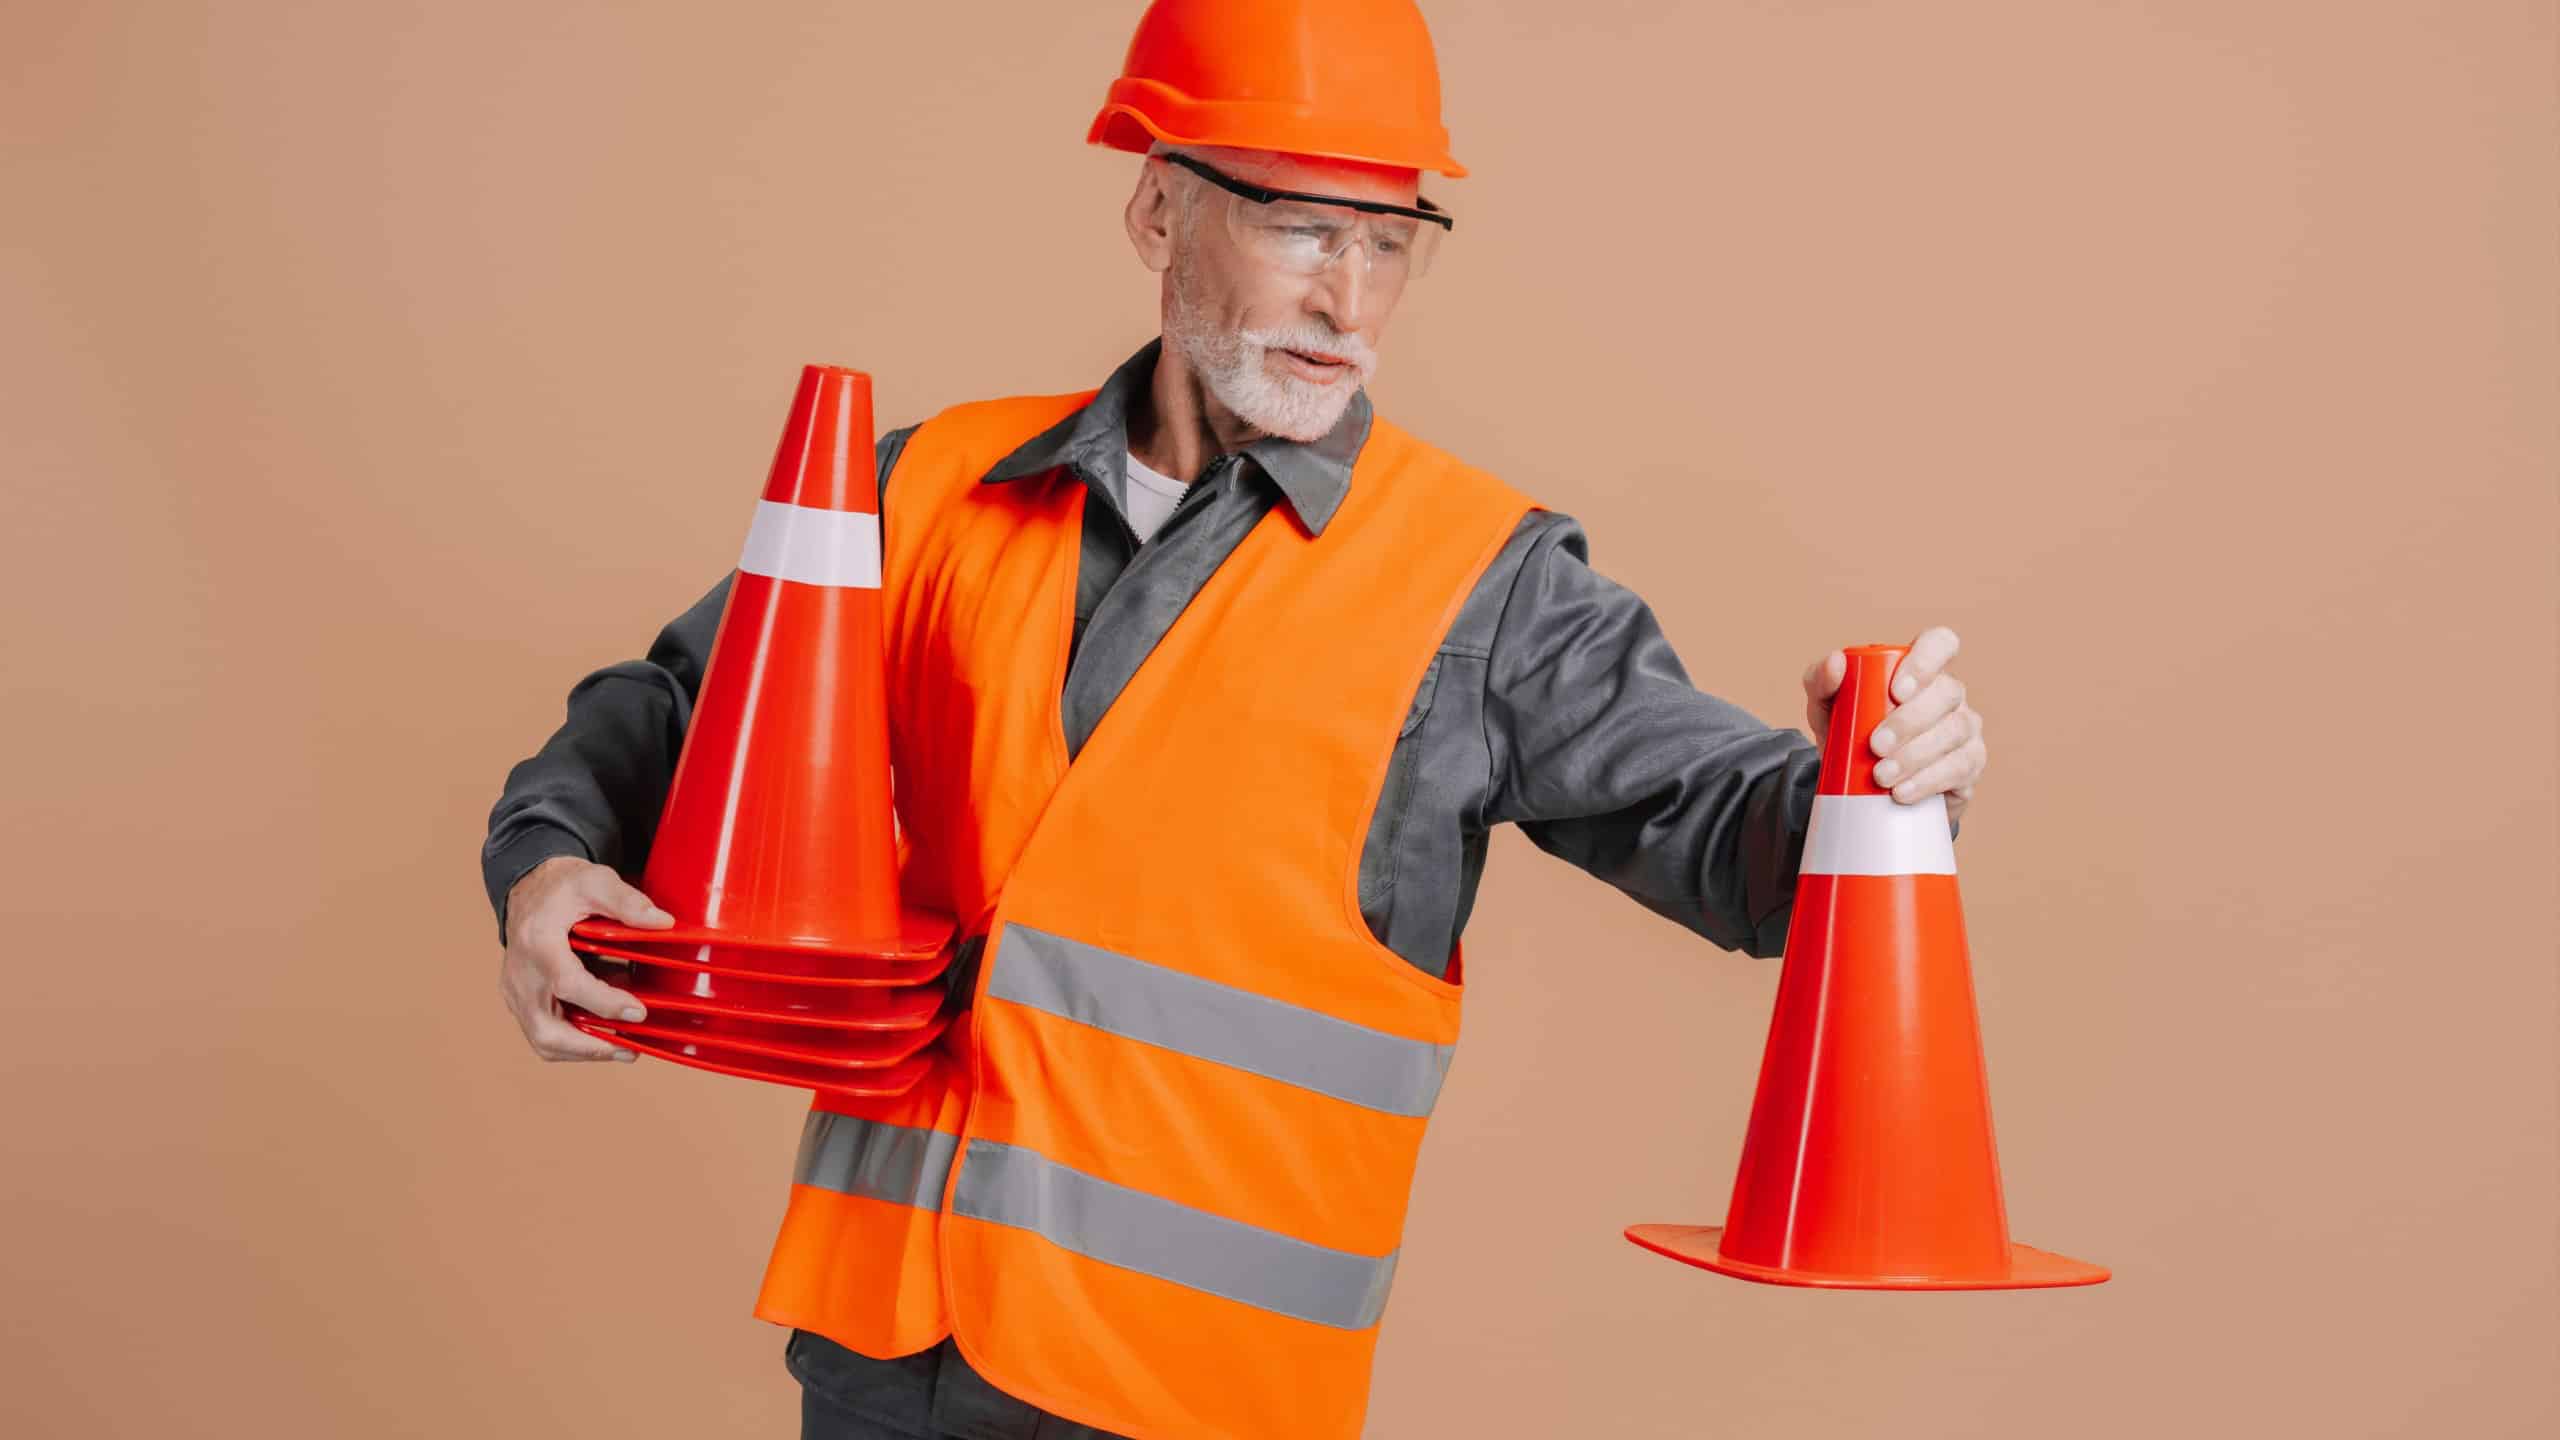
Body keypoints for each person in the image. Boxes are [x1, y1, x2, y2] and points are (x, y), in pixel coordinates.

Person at [482, 3, 1988, 1436]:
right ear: (1158, 215)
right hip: (886, 1361)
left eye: (1392, 243)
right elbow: (677, 713)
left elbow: (1751, 850)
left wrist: (1884, 787)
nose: (1350, 303)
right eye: (1302, 229)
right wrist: (548, 863)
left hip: (1194, 1398)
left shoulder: (1487, 586)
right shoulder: (926, 485)